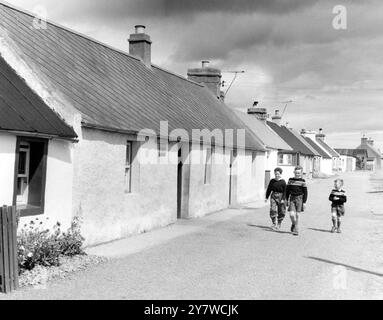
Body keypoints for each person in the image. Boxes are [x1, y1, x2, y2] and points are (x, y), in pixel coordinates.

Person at [286, 166, 308, 236]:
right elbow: (287, 191)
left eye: (299, 173)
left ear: (301, 173)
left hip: (300, 199)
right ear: (294, 172)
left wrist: (304, 202)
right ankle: (294, 223)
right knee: (291, 214)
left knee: (297, 215)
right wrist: (286, 199)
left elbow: (305, 192)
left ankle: (296, 229)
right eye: (296, 173)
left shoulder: (303, 181)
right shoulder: (290, 180)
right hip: (292, 198)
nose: (297, 174)